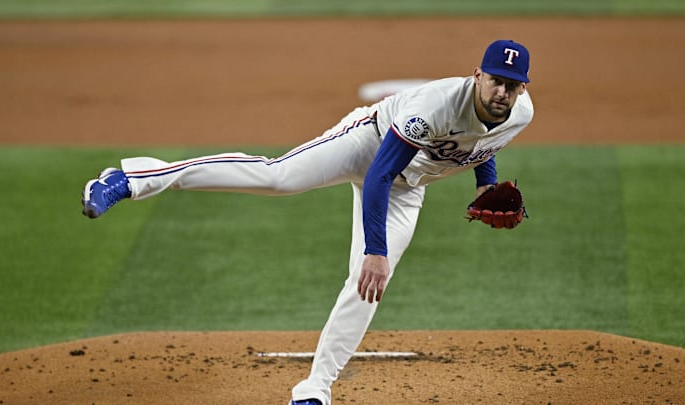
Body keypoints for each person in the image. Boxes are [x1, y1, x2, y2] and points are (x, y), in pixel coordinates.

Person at [81, 39, 534, 405]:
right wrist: (374, 250)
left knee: (368, 285)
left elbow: (483, 144)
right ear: (478, 75)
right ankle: (134, 178)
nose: (502, 93)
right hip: (367, 144)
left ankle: (315, 389)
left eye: (512, 86)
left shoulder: (520, 112)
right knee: (278, 177)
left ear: (523, 88)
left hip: (408, 188)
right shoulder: (433, 105)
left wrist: (483, 186)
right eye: (495, 81)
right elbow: (379, 172)